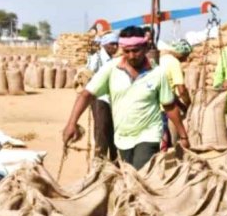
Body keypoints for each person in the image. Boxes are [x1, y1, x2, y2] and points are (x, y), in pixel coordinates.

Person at [62, 26, 189, 170]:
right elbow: (86, 94)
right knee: (129, 177)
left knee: (139, 173)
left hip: (149, 134)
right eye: (127, 51)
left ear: (145, 47)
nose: (131, 56)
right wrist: (71, 123)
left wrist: (183, 135)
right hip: (123, 137)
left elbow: (169, 106)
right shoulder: (111, 69)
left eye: (136, 51)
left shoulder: (157, 73)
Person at [85, 31, 120, 160]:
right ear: (105, 44)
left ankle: (115, 160)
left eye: (117, 44)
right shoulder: (96, 58)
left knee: (113, 130)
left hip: (112, 99)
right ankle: (100, 161)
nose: (115, 47)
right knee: (102, 129)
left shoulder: (114, 60)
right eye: (112, 44)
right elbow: (87, 77)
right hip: (100, 99)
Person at [158, 39, 193, 149]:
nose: (186, 59)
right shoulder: (174, 63)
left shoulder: (161, 59)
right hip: (165, 107)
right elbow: (181, 90)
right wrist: (189, 104)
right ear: (181, 53)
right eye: (185, 55)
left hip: (155, 106)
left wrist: (181, 106)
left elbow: (170, 90)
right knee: (166, 140)